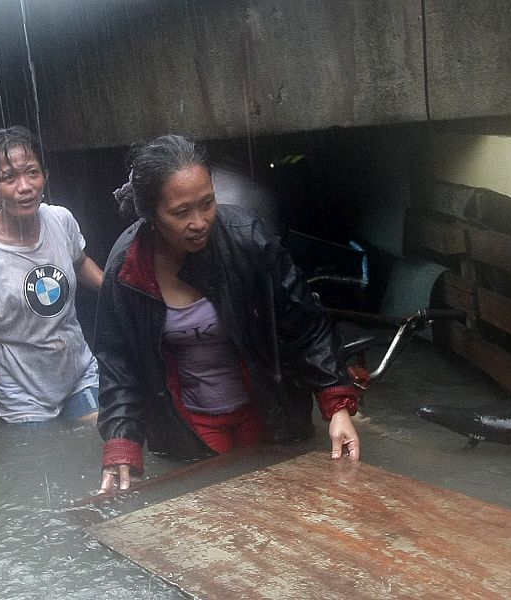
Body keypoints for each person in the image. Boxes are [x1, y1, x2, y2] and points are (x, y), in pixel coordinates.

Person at [96, 134, 361, 493]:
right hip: (187, 425)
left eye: (207, 204)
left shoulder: (248, 241)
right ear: (150, 214)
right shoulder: (127, 268)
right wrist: (122, 443)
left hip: (266, 411)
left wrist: (336, 404)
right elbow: (118, 361)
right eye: (180, 212)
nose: (200, 222)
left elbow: (305, 324)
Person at [0, 126, 104, 424]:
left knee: (99, 441)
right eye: (9, 178)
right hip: (22, 391)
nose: (25, 186)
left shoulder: (60, 220)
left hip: (77, 371)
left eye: (32, 172)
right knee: (42, 462)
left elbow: (79, 261)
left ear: (45, 175)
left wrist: (119, 288)